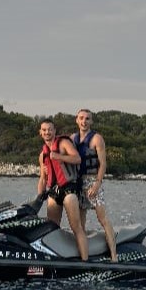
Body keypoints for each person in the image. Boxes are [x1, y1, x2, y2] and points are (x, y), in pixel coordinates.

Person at [36, 119, 88, 261]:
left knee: (76, 226)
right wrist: (39, 197)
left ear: (54, 131)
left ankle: (85, 261)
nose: (47, 132)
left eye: (50, 129)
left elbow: (77, 159)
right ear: (40, 133)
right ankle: (54, 259)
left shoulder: (63, 143)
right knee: (51, 228)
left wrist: (59, 157)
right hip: (54, 190)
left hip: (69, 188)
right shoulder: (43, 155)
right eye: (44, 130)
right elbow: (42, 178)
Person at [72, 108, 117, 262]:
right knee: (80, 222)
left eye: (87, 119)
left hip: (93, 181)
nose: (84, 121)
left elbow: (103, 164)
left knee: (102, 218)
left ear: (91, 121)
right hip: (78, 183)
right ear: (76, 120)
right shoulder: (73, 139)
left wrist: (97, 184)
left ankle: (114, 256)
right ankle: (82, 255)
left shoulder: (97, 139)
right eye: (81, 118)